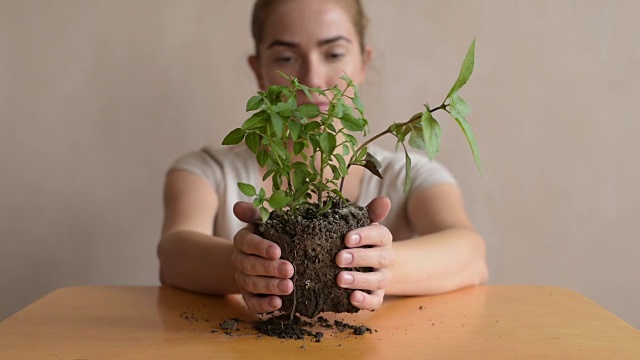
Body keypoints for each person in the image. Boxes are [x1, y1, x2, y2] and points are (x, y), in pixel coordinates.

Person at [158, 0, 488, 314]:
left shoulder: (406, 174)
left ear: (364, 63)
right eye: (286, 58)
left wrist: (378, 265)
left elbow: (472, 255)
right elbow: (173, 254)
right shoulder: (207, 171)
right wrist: (244, 264)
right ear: (257, 70)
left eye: (333, 53)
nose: (312, 80)